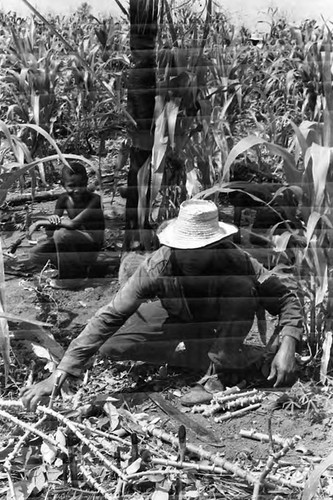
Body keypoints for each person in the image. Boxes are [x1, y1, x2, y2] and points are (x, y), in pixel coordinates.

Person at [21, 199, 303, 411]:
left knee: (242, 288)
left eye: (200, 248)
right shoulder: (157, 265)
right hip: (177, 315)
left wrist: (289, 343)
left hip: (222, 318)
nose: (190, 254)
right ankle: (213, 358)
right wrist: (62, 371)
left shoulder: (237, 259)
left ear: (216, 244)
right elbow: (110, 315)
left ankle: (216, 374)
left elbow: (285, 299)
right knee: (113, 345)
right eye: (184, 247)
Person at [29, 162, 105, 289]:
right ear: (63, 185)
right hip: (75, 243)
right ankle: (76, 267)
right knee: (35, 254)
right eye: (71, 185)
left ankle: (72, 279)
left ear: (86, 181)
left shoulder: (95, 200)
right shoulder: (63, 199)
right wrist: (51, 220)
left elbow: (73, 224)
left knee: (62, 234)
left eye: (81, 185)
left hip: (91, 246)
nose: (77, 189)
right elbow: (50, 232)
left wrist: (39, 222)